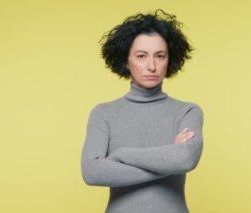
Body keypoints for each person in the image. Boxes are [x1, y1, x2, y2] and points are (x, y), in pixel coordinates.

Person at [81, 9, 204, 213]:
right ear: (125, 61)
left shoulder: (187, 111)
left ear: (169, 60)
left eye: (160, 56)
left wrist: (120, 155)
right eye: (141, 56)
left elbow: (185, 159)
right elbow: (92, 173)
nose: (152, 66)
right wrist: (168, 161)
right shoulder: (103, 113)